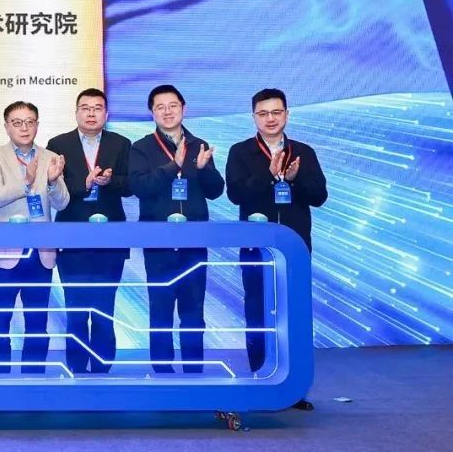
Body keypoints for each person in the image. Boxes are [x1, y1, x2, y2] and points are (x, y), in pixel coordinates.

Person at [226, 88, 327, 409]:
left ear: (286, 114)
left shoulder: (304, 152)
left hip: (295, 247)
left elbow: (320, 196)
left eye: (276, 112)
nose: (270, 119)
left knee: (293, 312)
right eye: (263, 113)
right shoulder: (241, 152)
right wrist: (269, 176)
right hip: (256, 248)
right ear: (254, 116)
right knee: (257, 310)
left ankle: (294, 388)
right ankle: (260, 377)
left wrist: (294, 179)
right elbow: (236, 195)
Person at [129, 85, 224, 373]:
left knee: (193, 310)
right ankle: (162, 372)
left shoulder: (199, 145)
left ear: (183, 108)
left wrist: (204, 169)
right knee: (160, 310)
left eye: (173, 105)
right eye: (160, 107)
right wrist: (174, 166)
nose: (167, 111)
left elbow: (215, 191)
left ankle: (193, 370)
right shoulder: (141, 147)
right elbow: (139, 187)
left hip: (193, 242)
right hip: (158, 242)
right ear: (152, 113)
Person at [47, 88, 132, 374]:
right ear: (76, 113)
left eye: (97, 108)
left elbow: (131, 185)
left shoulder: (121, 144)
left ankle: (102, 367)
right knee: (76, 309)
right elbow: (53, 187)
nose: (91, 113)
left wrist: (110, 181)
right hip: (71, 240)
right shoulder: (58, 144)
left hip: (111, 241)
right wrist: (84, 183)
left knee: (104, 308)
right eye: (85, 108)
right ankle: (76, 367)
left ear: (106, 114)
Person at [0, 101, 69, 373]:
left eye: (30, 122)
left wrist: (52, 181)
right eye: (17, 123)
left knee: (37, 323)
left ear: (37, 125)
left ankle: (34, 379)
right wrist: (26, 182)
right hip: (3, 255)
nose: (24, 128)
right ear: (6, 126)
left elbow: (63, 203)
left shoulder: (50, 157)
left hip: (40, 254)